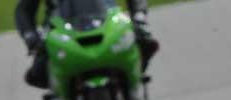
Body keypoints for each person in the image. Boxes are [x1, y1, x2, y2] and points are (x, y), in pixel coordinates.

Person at [15, 0, 159, 89]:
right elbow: (23, 10)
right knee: (38, 71)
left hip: (108, 19)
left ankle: (134, 82)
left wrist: (139, 17)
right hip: (61, 28)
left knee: (144, 42)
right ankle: (60, 97)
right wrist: (31, 37)